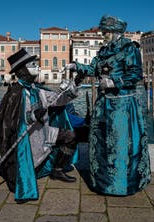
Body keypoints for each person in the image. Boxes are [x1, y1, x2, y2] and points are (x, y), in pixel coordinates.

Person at [65, 15, 151, 196]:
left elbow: (136, 74)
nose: (103, 34)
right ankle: (104, 183)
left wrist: (114, 82)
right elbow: (93, 70)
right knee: (102, 143)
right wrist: (76, 66)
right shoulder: (103, 51)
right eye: (102, 31)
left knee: (120, 144)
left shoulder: (129, 49)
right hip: (104, 105)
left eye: (105, 32)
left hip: (122, 105)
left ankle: (121, 184)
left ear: (115, 32)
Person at [0, 48, 79, 202]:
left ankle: (57, 170)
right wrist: (32, 116)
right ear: (23, 69)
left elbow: (56, 99)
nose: (37, 67)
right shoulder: (14, 94)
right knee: (17, 173)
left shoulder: (37, 90)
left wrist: (74, 84)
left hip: (44, 134)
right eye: (33, 64)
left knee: (70, 136)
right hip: (27, 142)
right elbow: (10, 124)